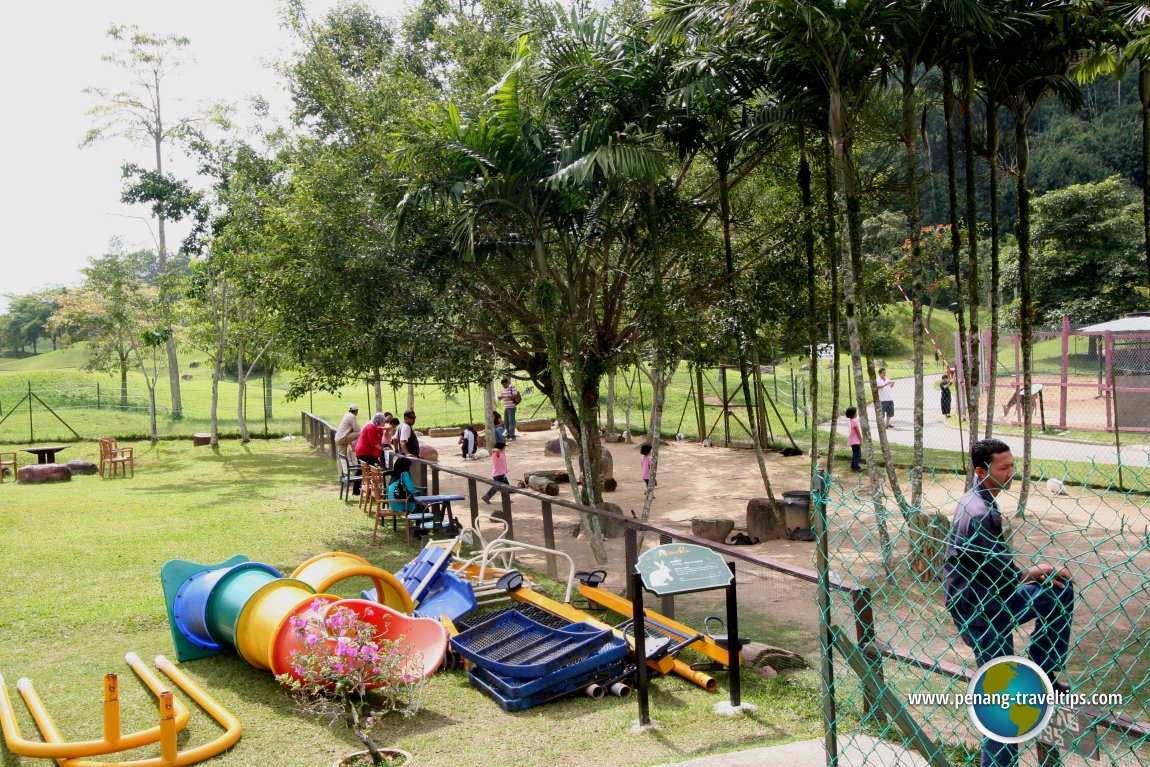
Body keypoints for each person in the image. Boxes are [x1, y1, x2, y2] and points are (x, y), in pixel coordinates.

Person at [943, 438, 1075, 767]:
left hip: (994, 600)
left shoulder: (978, 500)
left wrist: (1039, 575)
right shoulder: (979, 512)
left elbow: (998, 571)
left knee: (1059, 592)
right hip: (981, 613)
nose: (1012, 472)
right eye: (1004, 468)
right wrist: (1039, 569)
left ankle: (1043, 671)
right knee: (1004, 705)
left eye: (1012, 465)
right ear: (980, 470)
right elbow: (1004, 573)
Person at [845, 407, 862, 472]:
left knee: (855, 454)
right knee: (858, 454)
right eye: (856, 412)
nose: (857, 413)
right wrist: (860, 439)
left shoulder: (851, 420)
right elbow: (857, 431)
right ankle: (856, 467)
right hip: (855, 441)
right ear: (854, 414)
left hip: (852, 440)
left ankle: (853, 466)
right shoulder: (854, 421)